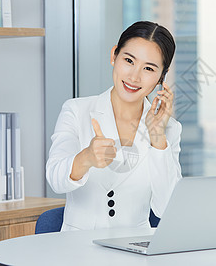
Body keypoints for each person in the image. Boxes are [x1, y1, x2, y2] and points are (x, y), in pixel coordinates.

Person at [46, 21, 182, 231]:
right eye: (129, 60)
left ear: (161, 77)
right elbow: (55, 179)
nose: (134, 76)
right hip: (78, 252)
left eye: (148, 68)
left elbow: (168, 208)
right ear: (114, 56)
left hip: (136, 252)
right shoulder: (76, 110)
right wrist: (86, 158)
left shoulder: (169, 129)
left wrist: (157, 139)